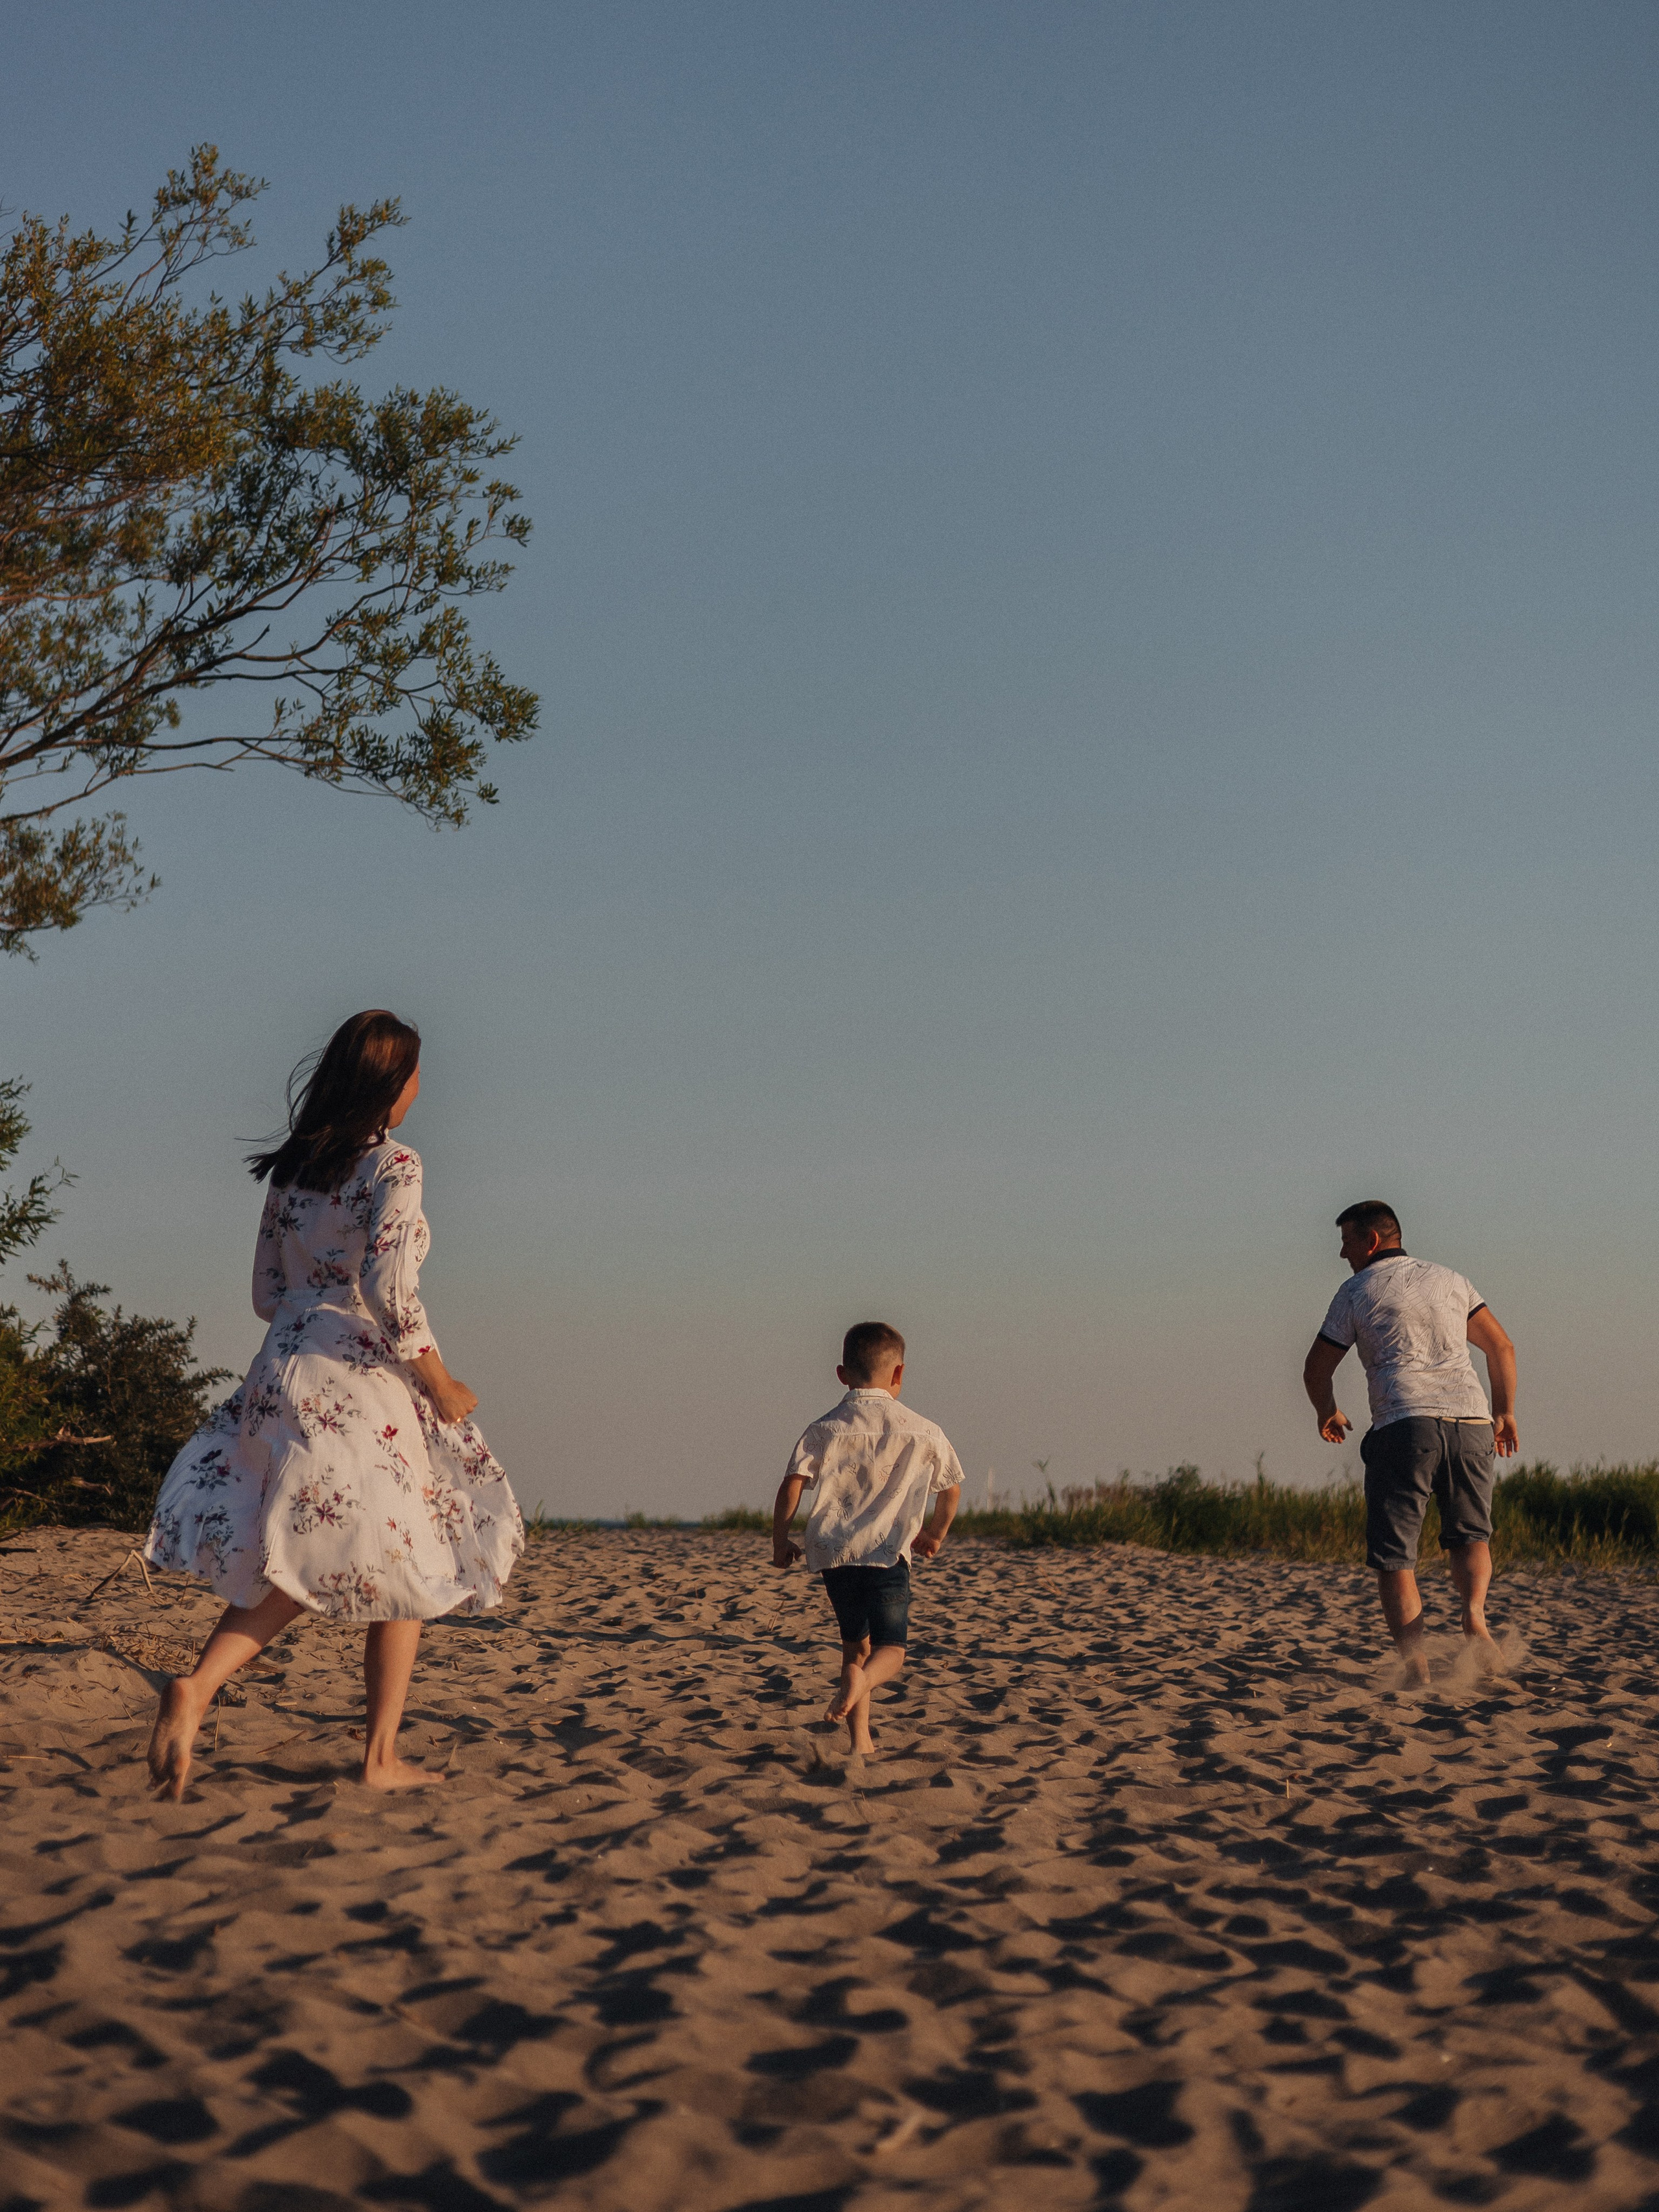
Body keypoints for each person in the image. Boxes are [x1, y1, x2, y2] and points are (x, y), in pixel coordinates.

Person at [144, 1009, 523, 1797]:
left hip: (279, 1370)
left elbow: (263, 1293)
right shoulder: (397, 1165)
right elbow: (390, 1287)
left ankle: (204, 1688)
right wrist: (440, 1380)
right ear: (392, 1083)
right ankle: (375, 1755)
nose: (421, 1087)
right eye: (415, 1073)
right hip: (356, 1380)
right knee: (406, 1556)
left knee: (332, 1550)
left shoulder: (294, 1170)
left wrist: (311, 1310)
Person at [1302, 1200, 1517, 1685]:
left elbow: (1317, 1366)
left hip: (1405, 1423)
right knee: (1471, 1535)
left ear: (1372, 1241)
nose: (1342, 1253)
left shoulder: (1356, 1289)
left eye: (1347, 1241)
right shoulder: (1451, 1280)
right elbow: (1501, 1346)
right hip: (1472, 1419)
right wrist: (1504, 1412)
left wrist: (1326, 1410)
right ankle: (1475, 1615)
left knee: (1396, 1555)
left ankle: (1416, 1667)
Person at [772, 1321, 962, 1754]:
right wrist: (935, 1533)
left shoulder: (823, 1427)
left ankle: (861, 1742)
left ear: (842, 1374)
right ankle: (862, 1686)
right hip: (887, 1554)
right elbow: (951, 1488)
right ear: (899, 1374)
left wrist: (780, 1541)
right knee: (891, 1651)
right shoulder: (924, 1429)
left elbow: (792, 1486)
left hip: (835, 1554)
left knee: (856, 1646)